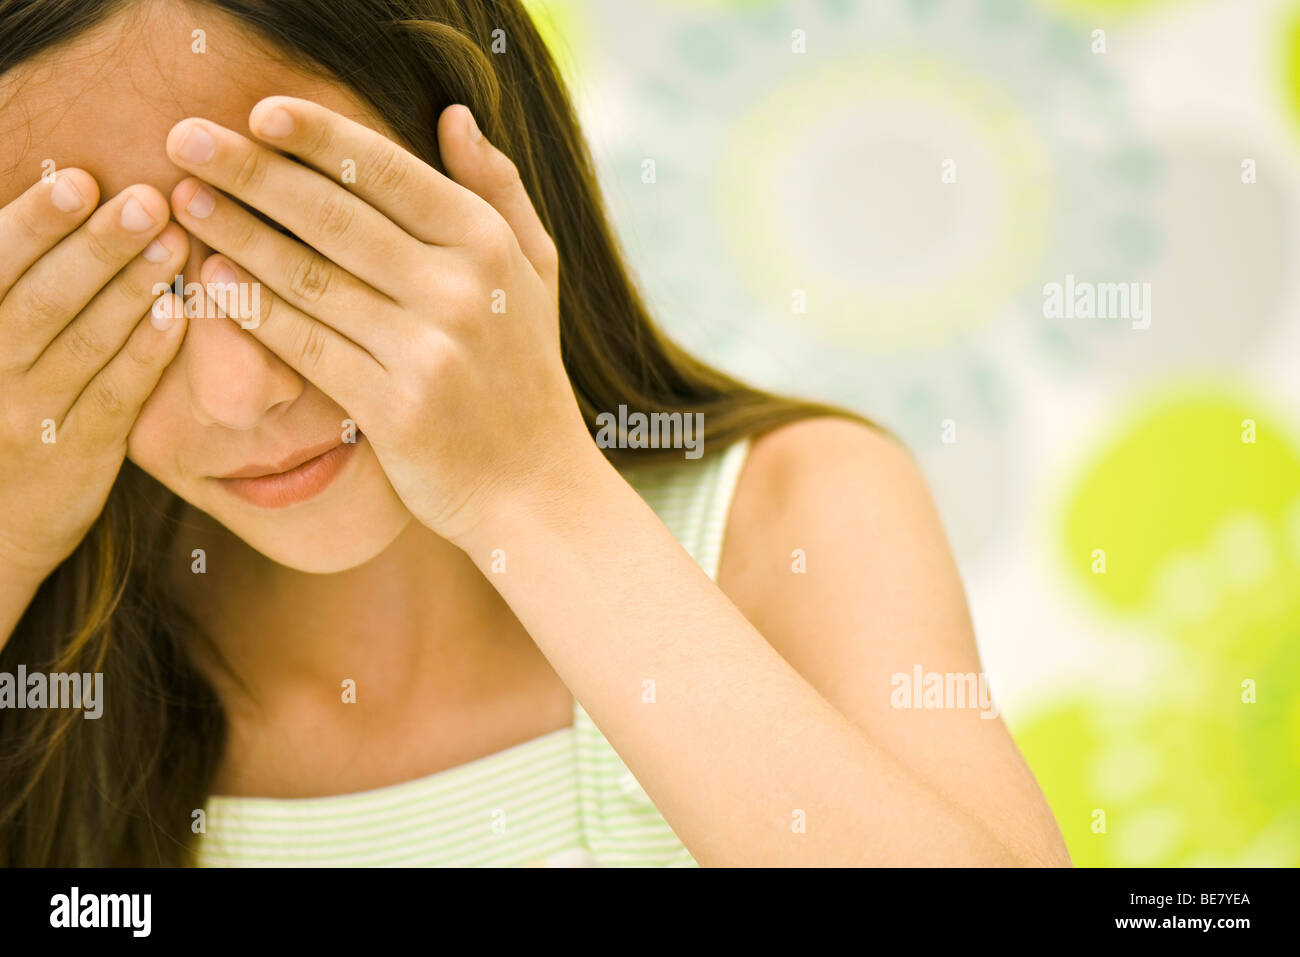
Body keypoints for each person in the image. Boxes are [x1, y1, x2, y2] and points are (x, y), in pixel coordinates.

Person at [0, 0, 1071, 867]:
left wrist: (527, 490)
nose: (242, 391)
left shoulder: (792, 510)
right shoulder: (46, 629)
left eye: (293, 234)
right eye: (104, 287)